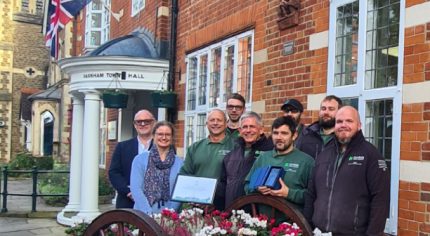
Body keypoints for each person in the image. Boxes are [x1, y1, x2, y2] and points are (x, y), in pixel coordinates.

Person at [304, 106, 390, 235]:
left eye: (349, 121)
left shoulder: (371, 155)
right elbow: (311, 194)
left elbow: (380, 201)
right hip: (318, 232)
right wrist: (307, 226)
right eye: (339, 122)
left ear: (359, 125)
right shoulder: (324, 155)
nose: (343, 125)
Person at [244, 116, 314, 210]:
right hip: (261, 221)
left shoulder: (306, 162)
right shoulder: (263, 158)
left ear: (294, 135)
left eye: (284, 133)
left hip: (292, 221)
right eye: (275, 133)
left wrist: (289, 193)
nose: (279, 137)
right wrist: (257, 188)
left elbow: (313, 196)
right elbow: (247, 186)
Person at [179, 109, 235, 210]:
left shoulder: (235, 147)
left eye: (219, 120)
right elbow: (185, 174)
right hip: (196, 205)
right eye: (212, 120)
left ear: (226, 123)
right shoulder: (195, 147)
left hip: (222, 206)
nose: (215, 123)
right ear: (206, 123)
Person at [220, 111, 273, 208]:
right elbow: (223, 185)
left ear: (261, 130)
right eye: (244, 127)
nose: (248, 130)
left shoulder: (270, 152)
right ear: (240, 131)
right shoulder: (231, 156)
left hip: (257, 213)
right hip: (232, 210)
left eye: (252, 126)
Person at [130, 121, 183, 214]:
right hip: (142, 215)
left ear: (172, 138)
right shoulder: (140, 160)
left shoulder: (180, 163)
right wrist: (147, 213)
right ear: (153, 136)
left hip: (170, 217)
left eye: (168, 134)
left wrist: (169, 214)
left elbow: (179, 191)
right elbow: (136, 188)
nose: (164, 137)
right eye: (160, 134)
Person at [109, 110, 155, 208]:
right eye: (139, 121)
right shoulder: (122, 147)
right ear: (135, 125)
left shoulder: (162, 147)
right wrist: (129, 191)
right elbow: (114, 172)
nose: (142, 124)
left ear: (153, 123)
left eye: (146, 121)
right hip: (127, 201)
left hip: (154, 203)